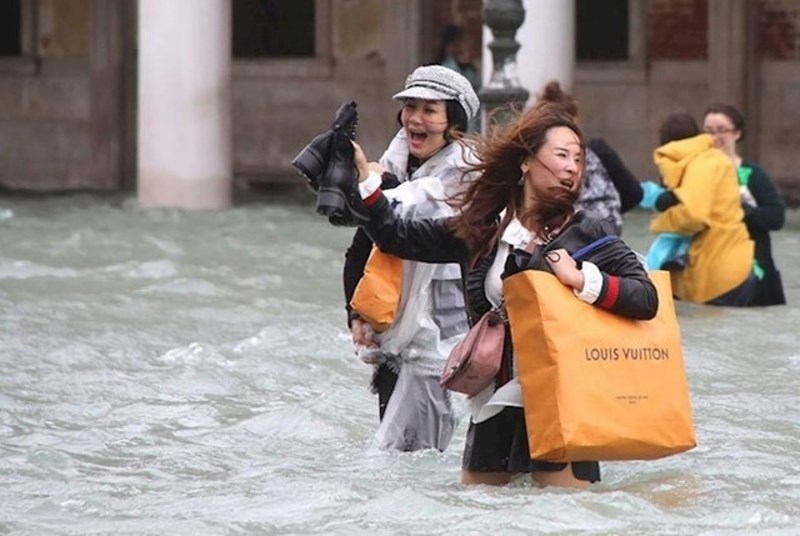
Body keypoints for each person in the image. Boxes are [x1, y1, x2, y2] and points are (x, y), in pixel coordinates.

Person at [345, 101, 658, 487]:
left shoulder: (586, 233)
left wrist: (582, 280)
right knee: (481, 518)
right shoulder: (482, 229)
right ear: (525, 162)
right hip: (490, 405)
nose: (572, 167)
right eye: (562, 155)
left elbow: (646, 298)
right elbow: (396, 235)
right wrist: (364, 180)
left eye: (578, 158)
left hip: (562, 407)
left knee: (567, 522)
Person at [342, 65, 481, 452]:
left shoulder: (467, 179)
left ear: (453, 119)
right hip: (392, 340)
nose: (415, 119)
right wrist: (356, 316)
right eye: (410, 107)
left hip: (443, 348)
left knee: (416, 462)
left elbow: (395, 228)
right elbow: (363, 247)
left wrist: (371, 186)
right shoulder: (395, 165)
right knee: (397, 465)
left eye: (430, 109)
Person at [641, 111, 756, 306]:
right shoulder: (712, 160)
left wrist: (659, 222)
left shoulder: (701, 165)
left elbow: (694, 216)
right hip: (733, 266)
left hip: (718, 274)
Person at [702, 103, 787, 306]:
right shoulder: (697, 173)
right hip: (708, 269)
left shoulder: (753, 174)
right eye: (709, 131)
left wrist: (740, 209)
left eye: (722, 130)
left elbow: (776, 217)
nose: (715, 137)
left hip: (753, 271)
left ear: (737, 133)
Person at [536, 81, 642, 234]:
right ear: (576, 119)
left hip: (566, 235)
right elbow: (634, 192)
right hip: (607, 232)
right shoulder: (598, 149)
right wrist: (608, 212)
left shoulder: (542, 158)